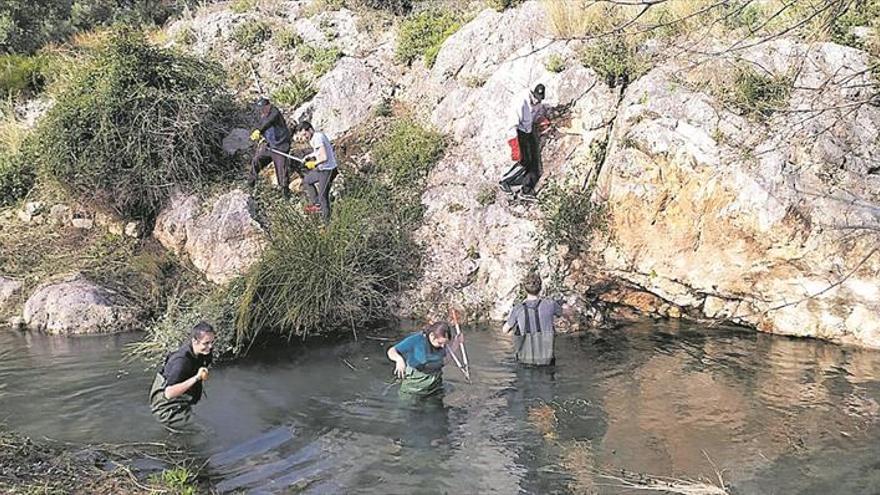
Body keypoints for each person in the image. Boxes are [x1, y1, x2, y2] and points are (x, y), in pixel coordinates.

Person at [149, 321, 215, 430]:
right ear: (194, 341)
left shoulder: (203, 352)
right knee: (206, 431)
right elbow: (169, 393)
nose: (210, 346)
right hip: (166, 408)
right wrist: (197, 378)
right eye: (206, 343)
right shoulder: (181, 362)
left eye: (212, 342)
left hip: (181, 401)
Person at [499, 84, 548, 201]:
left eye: (540, 98)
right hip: (518, 131)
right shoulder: (521, 101)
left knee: (535, 163)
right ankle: (505, 181)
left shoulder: (537, 102)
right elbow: (512, 122)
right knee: (524, 160)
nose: (537, 100)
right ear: (532, 93)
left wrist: (541, 120)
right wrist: (514, 141)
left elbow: (535, 116)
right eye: (536, 97)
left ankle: (526, 190)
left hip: (529, 130)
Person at [502, 272, 562, 366]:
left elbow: (505, 330)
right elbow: (561, 313)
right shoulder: (550, 304)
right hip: (547, 359)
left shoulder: (518, 308)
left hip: (525, 360)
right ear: (540, 288)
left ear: (524, 289)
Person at [386, 322, 452, 398]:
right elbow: (392, 351)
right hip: (414, 387)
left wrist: (457, 343)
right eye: (440, 343)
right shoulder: (416, 340)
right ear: (432, 336)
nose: (443, 346)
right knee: (406, 408)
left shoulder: (442, 345)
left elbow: (445, 360)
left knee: (435, 409)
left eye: (445, 343)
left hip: (434, 387)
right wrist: (399, 360)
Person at [248, 97, 293, 198]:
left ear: (268, 105)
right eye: (260, 109)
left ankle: (286, 197)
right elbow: (260, 125)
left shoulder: (274, 112)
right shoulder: (263, 116)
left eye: (263, 108)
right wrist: (256, 131)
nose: (262, 110)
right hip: (270, 146)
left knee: (281, 172)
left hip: (281, 146)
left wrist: (259, 130)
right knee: (256, 161)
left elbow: (267, 122)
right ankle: (250, 185)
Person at [295, 121, 337, 222]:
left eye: (305, 134)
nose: (305, 137)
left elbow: (324, 157)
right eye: (303, 136)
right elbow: (318, 152)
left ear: (310, 129)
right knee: (307, 181)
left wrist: (314, 164)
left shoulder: (318, 138)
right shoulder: (315, 137)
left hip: (328, 170)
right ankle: (317, 205)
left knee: (323, 197)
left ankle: (327, 223)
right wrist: (309, 156)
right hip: (321, 169)